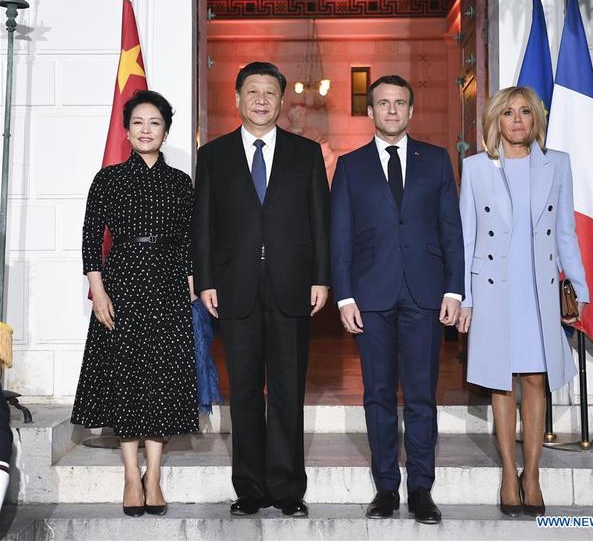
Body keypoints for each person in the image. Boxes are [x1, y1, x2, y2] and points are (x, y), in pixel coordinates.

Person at [192, 61, 330, 518]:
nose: (261, 100)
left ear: (282, 99)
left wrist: (321, 277)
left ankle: (288, 488)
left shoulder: (306, 154)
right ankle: (249, 487)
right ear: (237, 98)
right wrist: (206, 280)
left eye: (270, 92)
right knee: (246, 391)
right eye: (252, 91)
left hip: (293, 286)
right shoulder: (213, 155)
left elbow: (320, 222)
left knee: (288, 391)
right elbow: (204, 226)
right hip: (235, 288)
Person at [330, 75, 464, 525]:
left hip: (425, 293)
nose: (391, 110)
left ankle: (422, 488)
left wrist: (453, 289)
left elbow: (451, 229)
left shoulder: (437, 161)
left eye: (399, 103)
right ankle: (386, 486)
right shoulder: (349, 166)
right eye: (383, 103)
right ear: (369, 112)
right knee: (379, 395)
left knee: (423, 395)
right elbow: (341, 237)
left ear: (411, 111)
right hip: (371, 295)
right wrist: (345, 295)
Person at [456, 86, 589, 518]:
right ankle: (508, 474)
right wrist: (466, 299)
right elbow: (466, 237)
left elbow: (565, 230)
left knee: (535, 381)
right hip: (494, 288)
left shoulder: (558, 166)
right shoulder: (476, 168)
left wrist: (580, 288)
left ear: (536, 120)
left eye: (525, 112)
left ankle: (532, 475)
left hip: (538, 289)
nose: (517, 120)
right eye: (509, 112)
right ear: (496, 120)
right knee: (500, 381)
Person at [72, 90, 199, 517]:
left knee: (161, 379)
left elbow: (189, 241)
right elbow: (91, 239)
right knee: (126, 379)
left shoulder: (180, 181)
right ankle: (130, 475)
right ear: (126, 131)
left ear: (165, 131)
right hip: (121, 284)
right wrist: (98, 290)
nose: (146, 130)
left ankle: (155, 476)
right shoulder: (107, 179)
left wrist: (191, 284)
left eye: (155, 123)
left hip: (167, 288)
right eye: (139, 123)